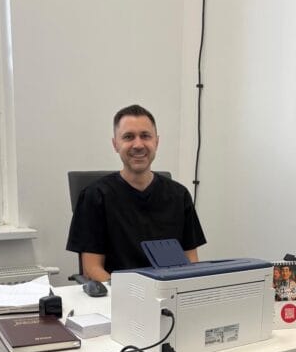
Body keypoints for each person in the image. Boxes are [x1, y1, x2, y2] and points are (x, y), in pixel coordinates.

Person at [66, 105, 206, 281]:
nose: (138, 145)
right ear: (115, 144)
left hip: (169, 292)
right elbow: (92, 269)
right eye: (128, 137)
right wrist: (133, 294)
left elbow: (191, 261)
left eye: (145, 136)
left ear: (156, 142)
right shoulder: (94, 196)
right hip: (117, 294)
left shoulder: (179, 196)